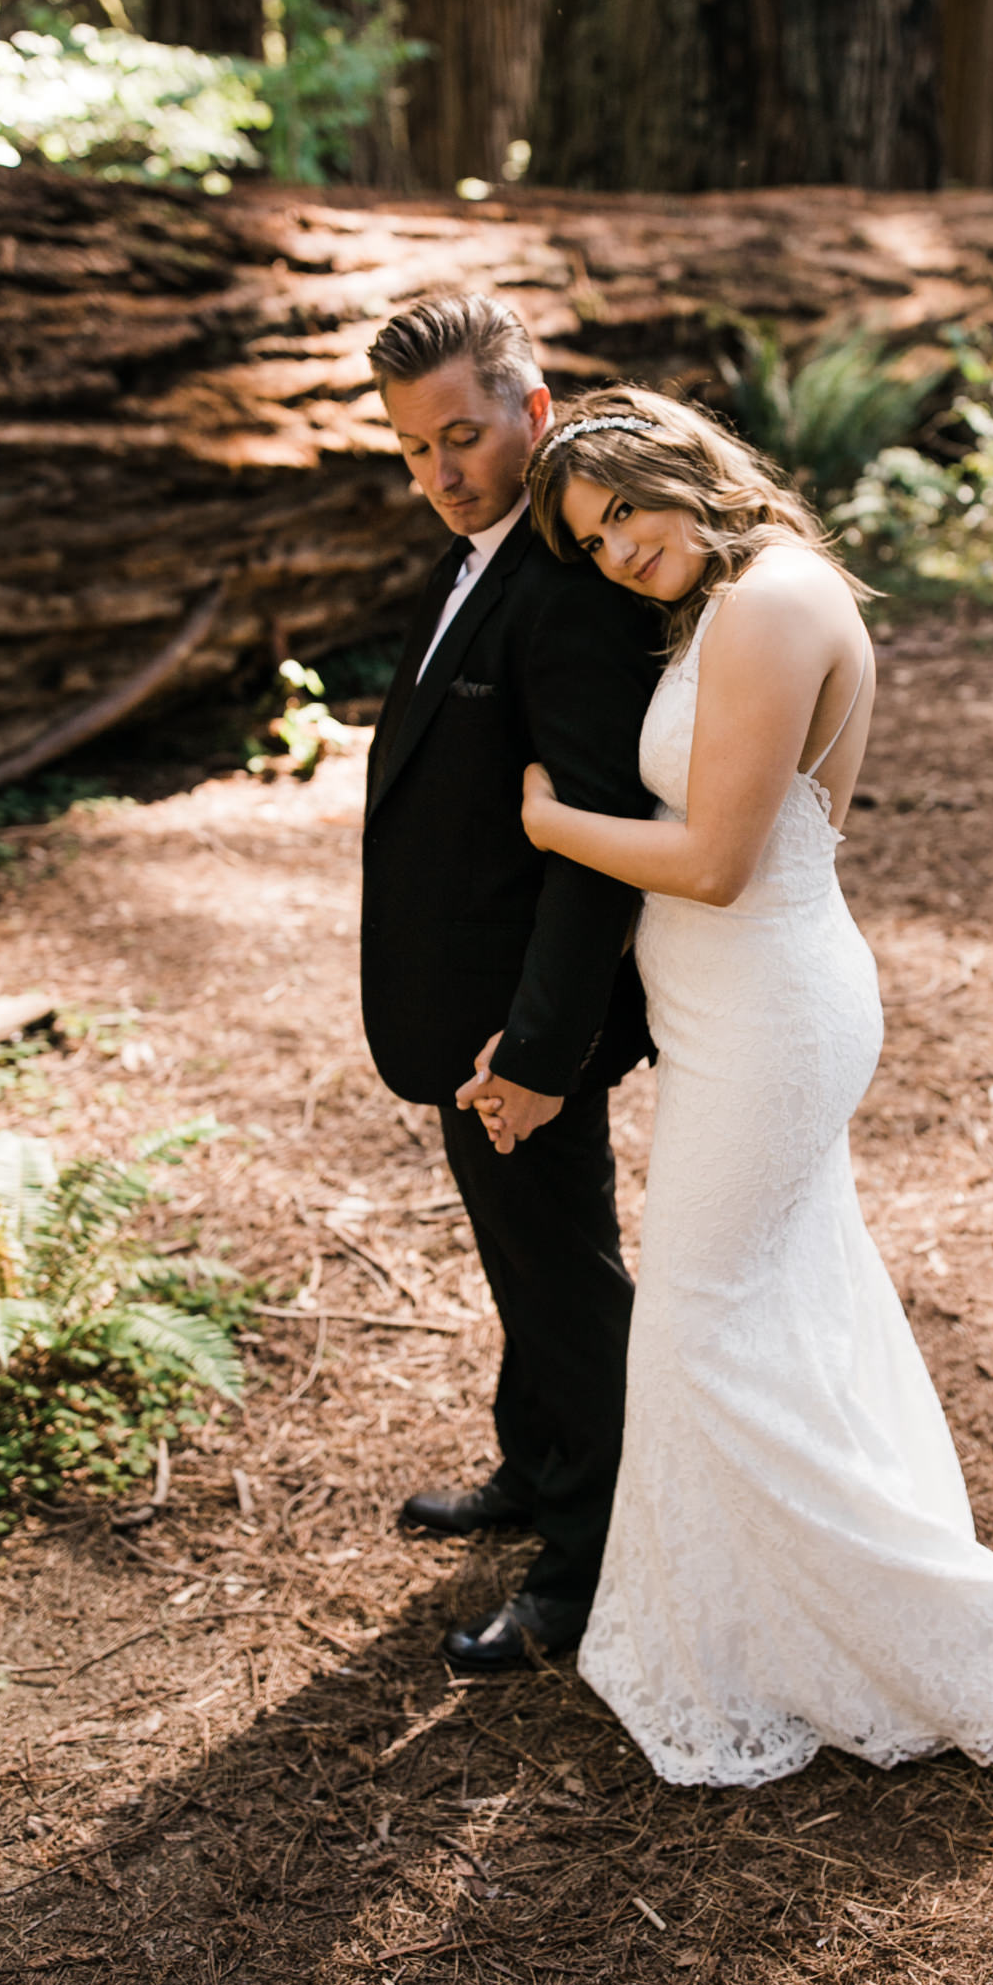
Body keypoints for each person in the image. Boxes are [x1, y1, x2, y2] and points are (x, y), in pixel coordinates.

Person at [498, 385, 993, 1906]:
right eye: (591, 543)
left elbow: (719, 860)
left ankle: (964, 1636)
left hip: (772, 1010)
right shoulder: (729, 598)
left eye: (624, 514)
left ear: (684, 466)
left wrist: (549, 822)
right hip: (735, 1015)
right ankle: (781, 1628)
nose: (615, 553)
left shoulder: (777, 599)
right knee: (785, 1309)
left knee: (700, 1330)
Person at [359, 298, 659, 1672]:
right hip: (461, 1015)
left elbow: (596, 846)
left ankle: (593, 1566)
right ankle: (537, 1469)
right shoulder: (471, 557)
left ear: (533, 412)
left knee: (566, 1280)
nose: (441, 473)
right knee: (517, 1262)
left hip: (526, 1028)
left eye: (463, 437)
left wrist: (542, 1050)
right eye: (416, 451)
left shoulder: (571, 587)